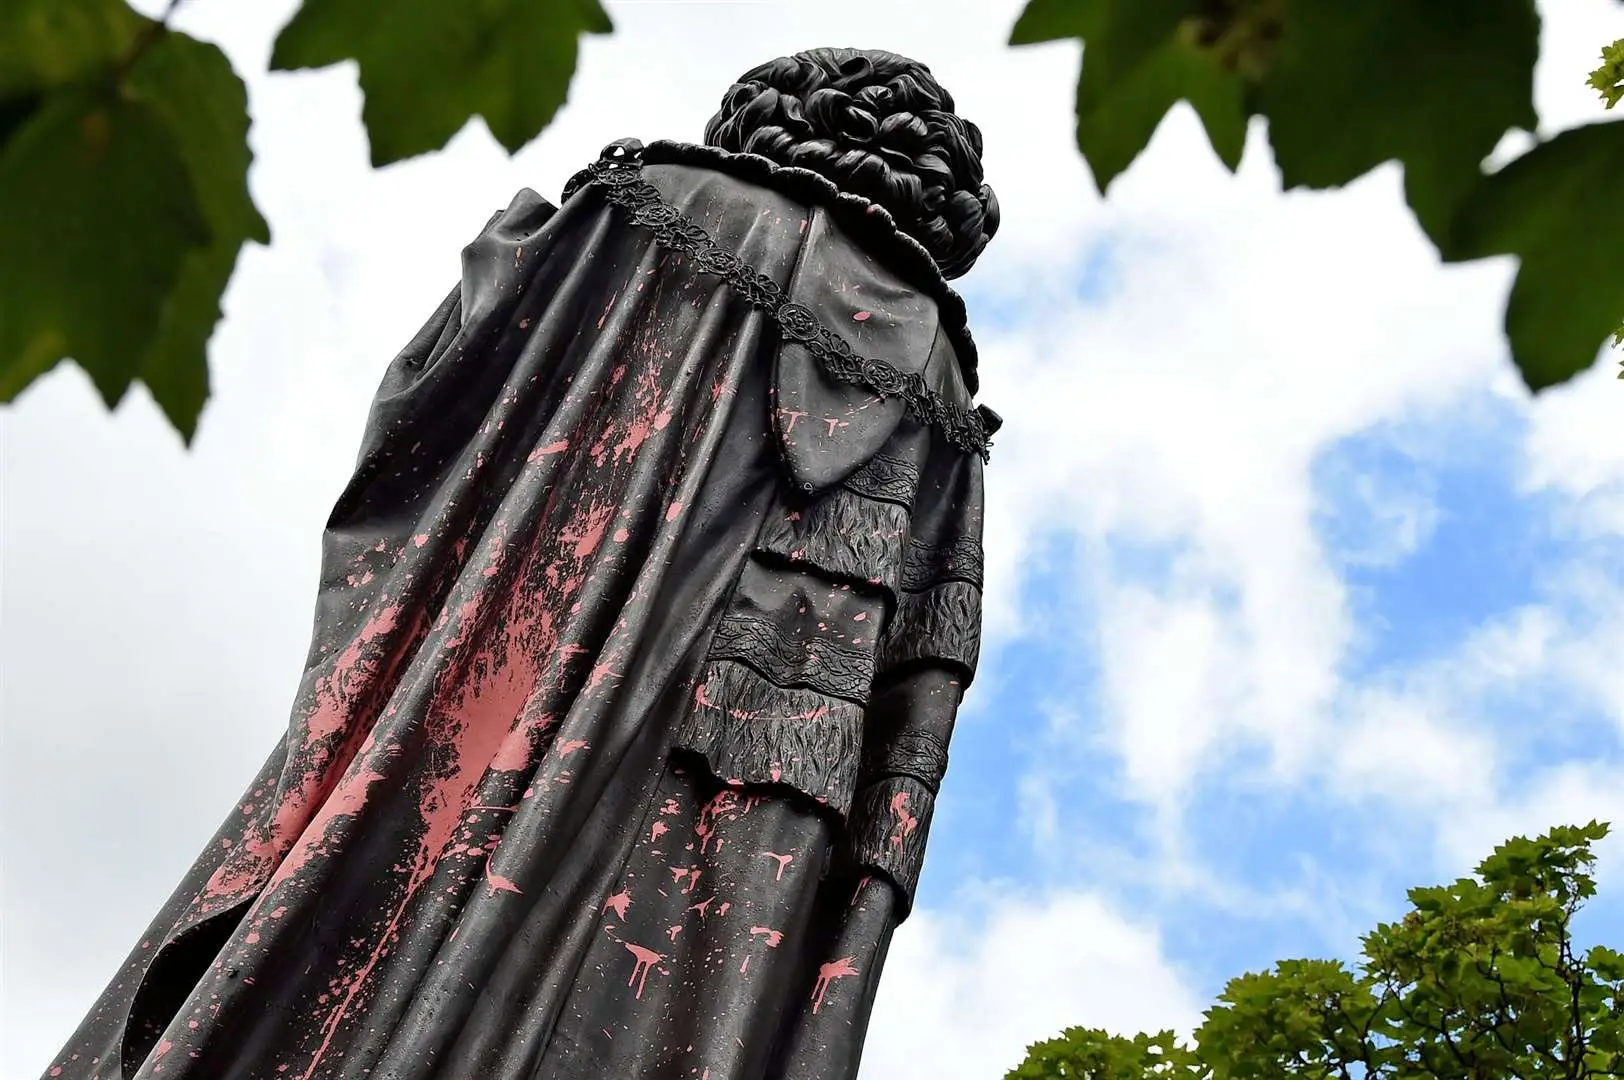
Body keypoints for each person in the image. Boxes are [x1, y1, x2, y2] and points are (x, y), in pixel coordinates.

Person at [44, 46, 1001, 1080]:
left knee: (346, 952)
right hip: (719, 866)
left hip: (499, 696)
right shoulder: (943, 405)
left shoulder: (656, 211)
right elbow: (903, 735)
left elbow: (427, 412)